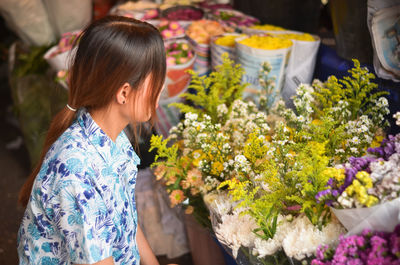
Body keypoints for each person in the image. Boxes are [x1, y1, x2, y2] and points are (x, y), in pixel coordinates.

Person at [17, 16, 166, 265]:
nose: (162, 90)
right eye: (157, 81)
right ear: (124, 93)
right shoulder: (75, 172)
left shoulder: (115, 139)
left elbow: (125, 221)